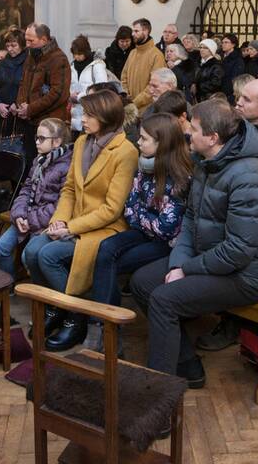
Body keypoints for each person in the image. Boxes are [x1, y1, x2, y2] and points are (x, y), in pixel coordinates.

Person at [130, 100, 258, 384]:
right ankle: (186, 363)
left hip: (249, 274)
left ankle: (159, 398)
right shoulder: (208, 163)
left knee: (164, 300)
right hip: (211, 257)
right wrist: (179, 263)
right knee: (142, 281)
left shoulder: (250, 177)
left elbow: (238, 252)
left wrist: (186, 270)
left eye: (194, 127)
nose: (187, 131)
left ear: (213, 138)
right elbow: (190, 219)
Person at [22, 90, 138, 351]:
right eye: (83, 113)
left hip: (104, 228)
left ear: (106, 117)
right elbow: (70, 189)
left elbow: (111, 209)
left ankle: (76, 316)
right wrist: (59, 220)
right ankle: (56, 306)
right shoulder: (83, 142)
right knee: (31, 252)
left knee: (48, 256)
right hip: (72, 220)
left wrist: (70, 227)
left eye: (88, 114)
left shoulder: (125, 151)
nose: (81, 119)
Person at [84, 113, 192, 351]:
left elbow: (167, 228)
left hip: (167, 244)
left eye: (144, 139)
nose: (138, 143)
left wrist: (142, 217)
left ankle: (106, 329)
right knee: (106, 248)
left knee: (110, 261)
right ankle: (104, 325)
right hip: (145, 234)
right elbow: (129, 208)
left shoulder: (180, 177)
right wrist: (147, 218)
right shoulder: (144, 167)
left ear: (161, 143)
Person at [0, 118, 72, 277]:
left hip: (46, 222)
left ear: (56, 142)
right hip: (29, 216)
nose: (36, 142)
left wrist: (30, 220)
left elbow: (59, 204)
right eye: (36, 137)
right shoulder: (39, 161)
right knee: (1, 247)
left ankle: (41, 295)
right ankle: (7, 290)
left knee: (27, 257)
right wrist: (20, 215)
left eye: (41, 138)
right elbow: (26, 189)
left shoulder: (67, 167)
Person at [15, 23, 71, 160]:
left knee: (48, 164)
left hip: (49, 123)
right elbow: (23, 83)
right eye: (26, 40)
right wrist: (20, 105)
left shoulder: (59, 59)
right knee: (30, 162)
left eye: (31, 41)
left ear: (44, 40)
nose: (27, 44)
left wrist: (31, 108)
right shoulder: (31, 56)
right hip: (30, 120)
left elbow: (58, 93)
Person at [0, 29, 27, 139]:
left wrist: (17, 102)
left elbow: (29, 87)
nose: (10, 49)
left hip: (20, 114)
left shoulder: (28, 63)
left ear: (22, 45)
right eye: (8, 45)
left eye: (14, 45)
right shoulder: (2, 63)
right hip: (3, 114)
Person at [121, 19, 167, 110]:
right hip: (130, 107)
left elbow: (154, 86)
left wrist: (135, 102)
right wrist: (126, 94)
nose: (133, 34)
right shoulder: (132, 53)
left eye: (136, 31)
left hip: (147, 109)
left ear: (146, 31)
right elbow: (124, 76)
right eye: (133, 31)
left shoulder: (157, 55)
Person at [70, 34, 109, 132]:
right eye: (74, 54)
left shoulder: (96, 66)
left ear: (86, 52)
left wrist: (79, 96)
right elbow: (70, 85)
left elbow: (101, 88)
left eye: (79, 54)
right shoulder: (72, 66)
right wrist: (70, 95)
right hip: (75, 113)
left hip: (91, 111)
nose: (76, 57)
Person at [219, 34, 245, 104]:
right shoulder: (220, 57)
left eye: (226, 42)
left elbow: (235, 78)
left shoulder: (237, 59)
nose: (223, 44)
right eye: (222, 42)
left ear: (233, 44)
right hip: (220, 92)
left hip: (229, 94)